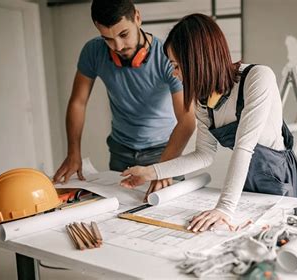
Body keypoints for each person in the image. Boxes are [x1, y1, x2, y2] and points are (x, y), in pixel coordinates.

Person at [120, 13, 297, 232]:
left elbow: (244, 148)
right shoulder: (203, 101)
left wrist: (224, 208)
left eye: (176, 66)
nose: (175, 74)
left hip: (276, 178)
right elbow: (204, 155)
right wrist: (150, 172)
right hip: (243, 181)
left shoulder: (258, 78)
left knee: (276, 236)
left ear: (197, 60)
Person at [53, 0, 196, 199]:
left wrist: (163, 168)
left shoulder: (167, 56)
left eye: (123, 34)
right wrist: (73, 152)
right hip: (120, 153)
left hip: (164, 153)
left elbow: (187, 119)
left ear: (137, 18)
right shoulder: (93, 51)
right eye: (108, 39)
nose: (117, 46)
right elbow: (78, 102)